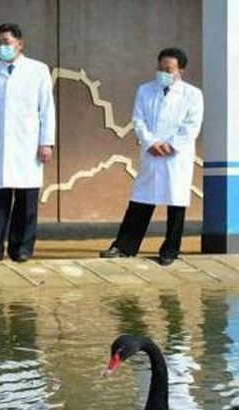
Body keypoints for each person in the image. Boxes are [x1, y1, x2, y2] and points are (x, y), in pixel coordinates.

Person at [100, 47, 203, 266]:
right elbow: (138, 120)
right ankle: (124, 246)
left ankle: (170, 250)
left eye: (168, 69)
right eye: (160, 68)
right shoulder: (145, 90)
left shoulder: (193, 95)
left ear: (180, 71)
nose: (163, 73)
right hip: (151, 152)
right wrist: (151, 142)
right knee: (141, 200)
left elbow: (191, 125)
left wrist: (171, 145)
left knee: (176, 202)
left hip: (176, 157)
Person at [0, 22, 55, 263]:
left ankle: (21, 249)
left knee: (26, 203)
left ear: (20, 44)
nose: (2, 47)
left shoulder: (38, 70)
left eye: (6, 42)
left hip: (28, 144)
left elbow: (46, 108)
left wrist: (46, 141)